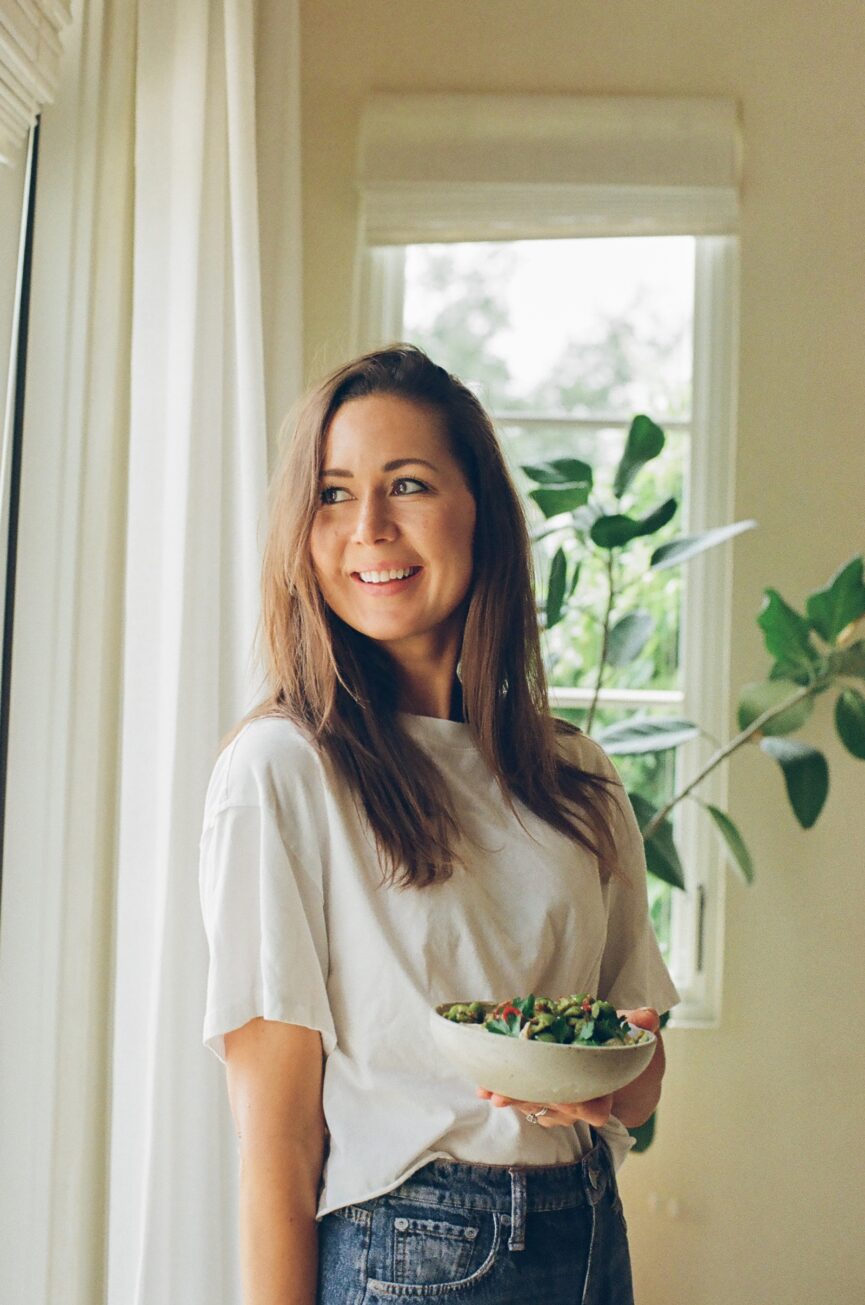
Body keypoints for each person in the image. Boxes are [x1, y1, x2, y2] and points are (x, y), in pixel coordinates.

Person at [198, 343, 680, 1305]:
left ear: (481, 514)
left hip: (586, 1232)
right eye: (332, 495)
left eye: (406, 484)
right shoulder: (284, 769)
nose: (368, 527)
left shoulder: (576, 776)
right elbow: (277, 1146)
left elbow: (641, 1065)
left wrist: (606, 1083)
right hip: (411, 1249)